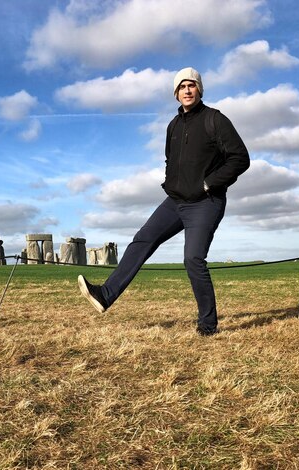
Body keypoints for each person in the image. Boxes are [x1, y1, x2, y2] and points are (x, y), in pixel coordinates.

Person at [78, 67, 250, 336]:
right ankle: (105, 295)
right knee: (142, 239)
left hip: (206, 202)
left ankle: (207, 325)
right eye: (182, 87)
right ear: (175, 93)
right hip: (175, 201)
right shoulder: (173, 125)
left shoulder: (215, 119)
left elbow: (240, 158)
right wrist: (172, 182)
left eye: (191, 85)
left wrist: (208, 184)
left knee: (193, 259)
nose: (187, 90)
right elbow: (171, 159)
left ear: (200, 89)